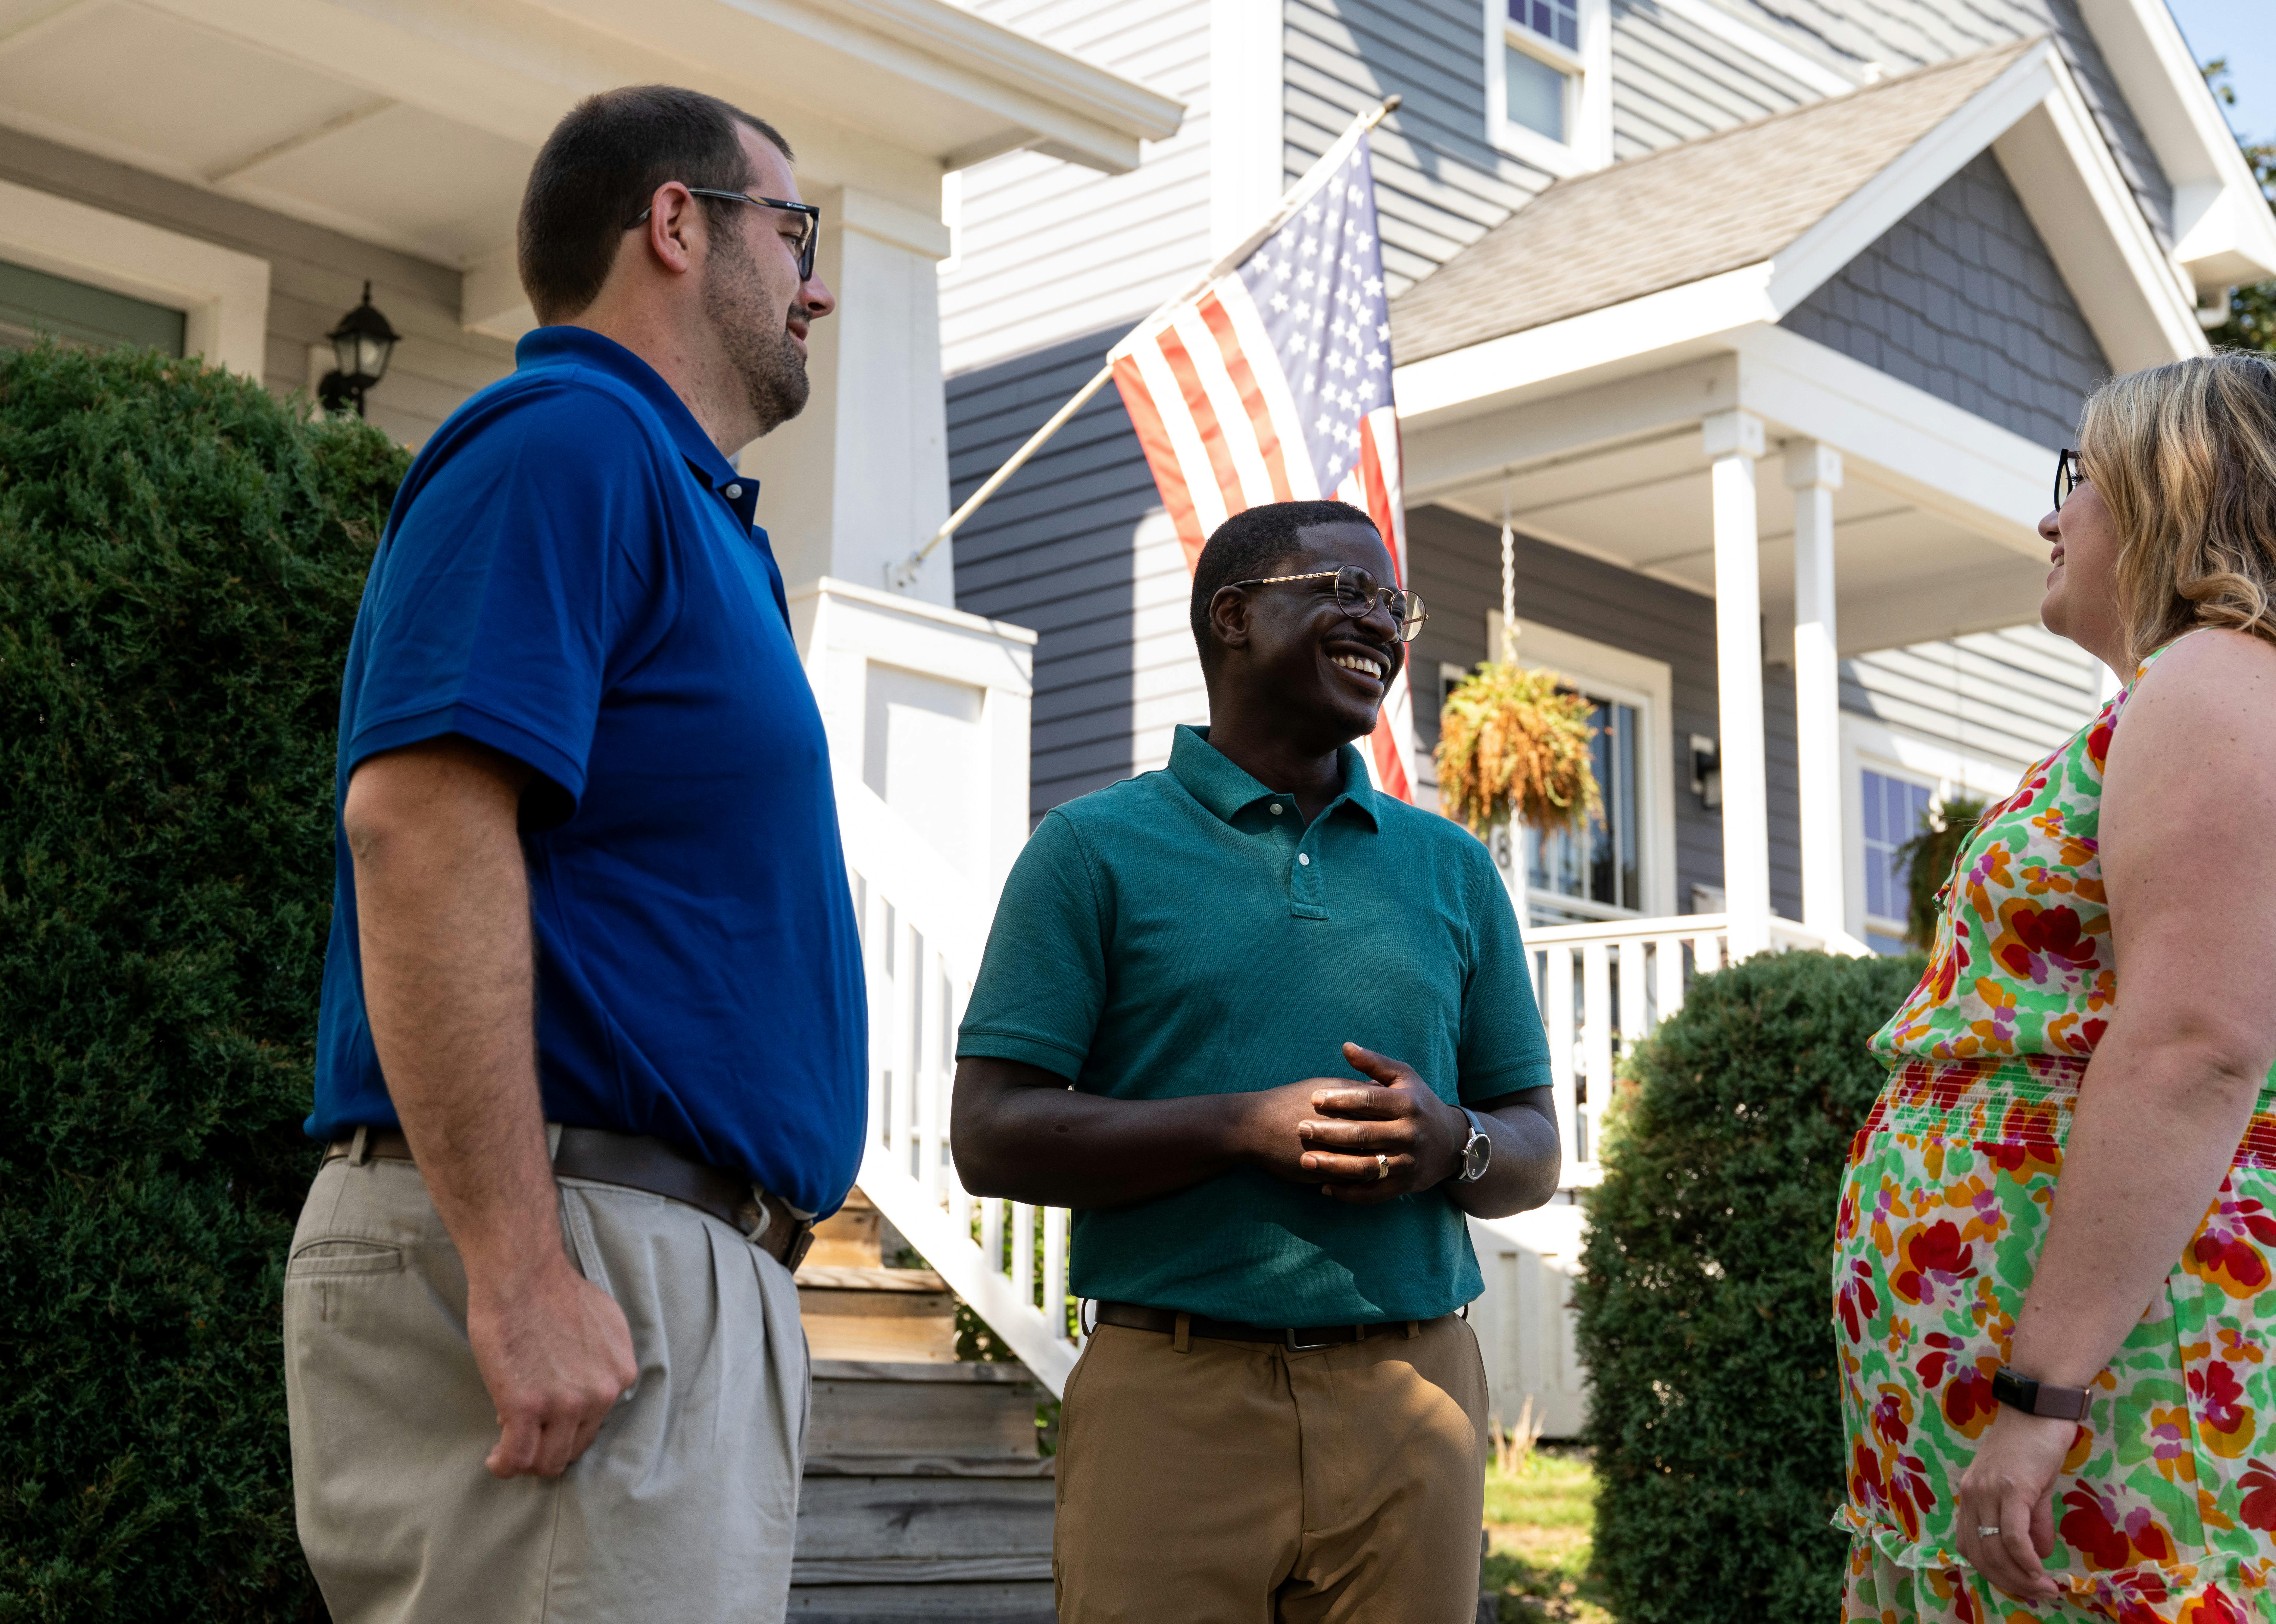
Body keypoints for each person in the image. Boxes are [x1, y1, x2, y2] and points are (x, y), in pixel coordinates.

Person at [283, 86, 862, 1622]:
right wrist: (522, 1270)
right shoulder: (567, 445)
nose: (817, 282)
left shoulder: (668, 495)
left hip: (654, 1257)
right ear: (675, 224)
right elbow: (417, 823)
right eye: (792, 231)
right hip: (583, 1239)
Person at [1834, 352, 2276, 1622]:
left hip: (2157, 1364)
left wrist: (2043, 1389)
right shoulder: (2263, 691)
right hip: (2132, 1344)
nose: (2051, 517)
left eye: (2079, 479)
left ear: (2184, 495)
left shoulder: (2230, 680)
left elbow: (2191, 1047)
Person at [950, 498, 1563, 1623]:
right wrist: (1238, 1127)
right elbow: (990, 1134)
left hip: (1412, 1396)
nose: (1379, 622)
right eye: (1344, 591)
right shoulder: (1089, 849)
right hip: (1171, 1397)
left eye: (1393, 604)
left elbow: (1531, 1147)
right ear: (1232, 615)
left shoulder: (1454, 870)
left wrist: (1451, 1142)